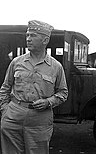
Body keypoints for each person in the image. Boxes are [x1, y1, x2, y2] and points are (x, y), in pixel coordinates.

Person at [0, 20, 68, 154]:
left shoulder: (55, 67)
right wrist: (5, 110)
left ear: (45, 40)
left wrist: (48, 102)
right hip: (13, 115)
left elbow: (63, 93)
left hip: (39, 119)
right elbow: (5, 88)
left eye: (33, 36)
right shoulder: (16, 62)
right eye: (27, 35)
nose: (28, 39)